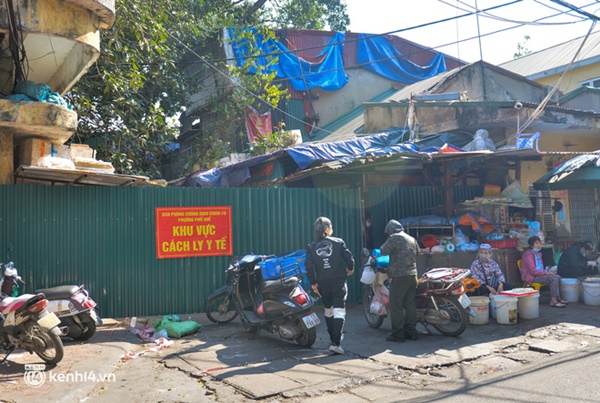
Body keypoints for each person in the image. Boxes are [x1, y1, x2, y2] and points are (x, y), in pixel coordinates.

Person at [305, 217, 355, 355]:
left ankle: (333, 339)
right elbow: (349, 257)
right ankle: (336, 343)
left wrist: (313, 282)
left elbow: (309, 266)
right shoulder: (338, 242)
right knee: (339, 311)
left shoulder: (311, 246)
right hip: (338, 282)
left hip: (323, 283)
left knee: (328, 310)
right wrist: (351, 268)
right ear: (328, 228)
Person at [379, 219, 419, 342]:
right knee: (410, 304)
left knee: (396, 305)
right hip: (413, 276)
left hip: (400, 276)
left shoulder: (394, 238)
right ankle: (411, 332)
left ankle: (398, 334)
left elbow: (383, 251)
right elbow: (418, 252)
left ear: (390, 230)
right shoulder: (411, 238)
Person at [520, 236, 567, 308]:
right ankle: (553, 300)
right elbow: (533, 271)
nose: (539, 245)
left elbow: (540, 268)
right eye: (536, 243)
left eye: (539, 243)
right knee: (553, 278)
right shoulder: (528, 255)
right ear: (531, 245)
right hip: (532, 277)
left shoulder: (538, 254)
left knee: (557, 276)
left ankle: (558, 297)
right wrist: (546, 273)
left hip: (539, 275)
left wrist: (548, 271)